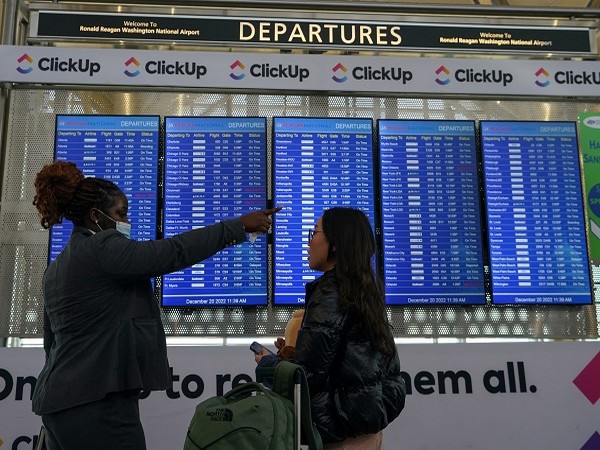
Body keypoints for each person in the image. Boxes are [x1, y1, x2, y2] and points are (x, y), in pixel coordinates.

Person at [31, 160, 281, 450]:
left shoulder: (57, 267)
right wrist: (235, 227)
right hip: (97, 404)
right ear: (95, 216)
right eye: (120, 214)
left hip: (57, 405)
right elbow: (172, 252)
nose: (127, 223)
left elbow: (52, 344)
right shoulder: (102, 248)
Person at [256, 207, 406, 450]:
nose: (308, 242)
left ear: (335, 244)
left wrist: (268, 364)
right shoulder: (364, 289)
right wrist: (295, 354)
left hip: (341, 434)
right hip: (367, 428)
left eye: (313, 233)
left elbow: (308, 376)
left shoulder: (331, 293)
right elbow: (350, 363)